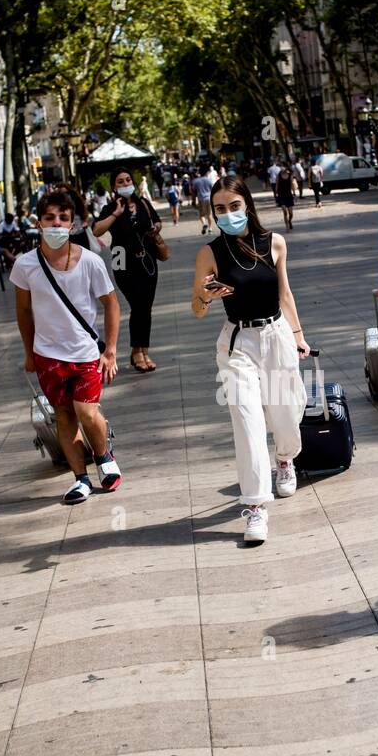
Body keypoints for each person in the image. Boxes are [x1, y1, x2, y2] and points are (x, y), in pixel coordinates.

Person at [191, 177, 309, 544]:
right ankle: (256, 506)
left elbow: (284, 293)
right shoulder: (209, 253)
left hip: (276, 336)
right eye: (220, 209)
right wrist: (206, 295)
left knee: (287, 414)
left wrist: (298, 336)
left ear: (248, 205)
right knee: (247, 421)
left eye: (234, 206)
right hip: (237, 343)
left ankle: (285, 459)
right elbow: (196, 311)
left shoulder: (274, 242)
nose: (228, 214)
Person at [12, 191, 122, 504]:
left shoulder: (90, 262)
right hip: (48, 356)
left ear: (72, 224)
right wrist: (29, 351)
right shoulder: (25, 266)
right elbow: (23, 311)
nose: (56, 224)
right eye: (49, 218)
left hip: (86, 353)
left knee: (86, 412)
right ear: (38, 223)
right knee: (64, 416)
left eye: (62, 218)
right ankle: (81, 479)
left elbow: (111, 304)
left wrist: (110, 350)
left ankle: (103, 457)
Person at [93, 167, 164, 373]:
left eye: (127, 180)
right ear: (114, 187)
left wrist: (155, 229)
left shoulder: (143, 203)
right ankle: (136, 351)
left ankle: (143, 350)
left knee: (146, 306)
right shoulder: (111, 207)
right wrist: (116, 214)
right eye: (120, 182)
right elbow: (97, 229)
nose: (125, 184)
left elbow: (157, 221)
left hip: (146, 259)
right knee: (137, 304)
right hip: (121, 260)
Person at [275, 162, 296, 230]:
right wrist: (276, 193)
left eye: (282, 166)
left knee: (291, 213)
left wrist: (294, 193)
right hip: (281, 195)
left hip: (289, 195)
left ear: (286, 167)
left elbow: (292, 184)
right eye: (280, 166)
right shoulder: (279, 175)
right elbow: (277, 184)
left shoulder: (290, 175)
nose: (281, 168)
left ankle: (289, 221)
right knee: (284, 211)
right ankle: (287, 225)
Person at [193, 168, 214, 235]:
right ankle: (210, 229)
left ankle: (204, 224)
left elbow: (194, 192)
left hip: (201, 199)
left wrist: (193, 201)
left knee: (201, 215)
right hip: (209, 199)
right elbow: (213, 190)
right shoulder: (209, 180)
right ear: (206, 173)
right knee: (209, 214)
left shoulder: (196, 181)